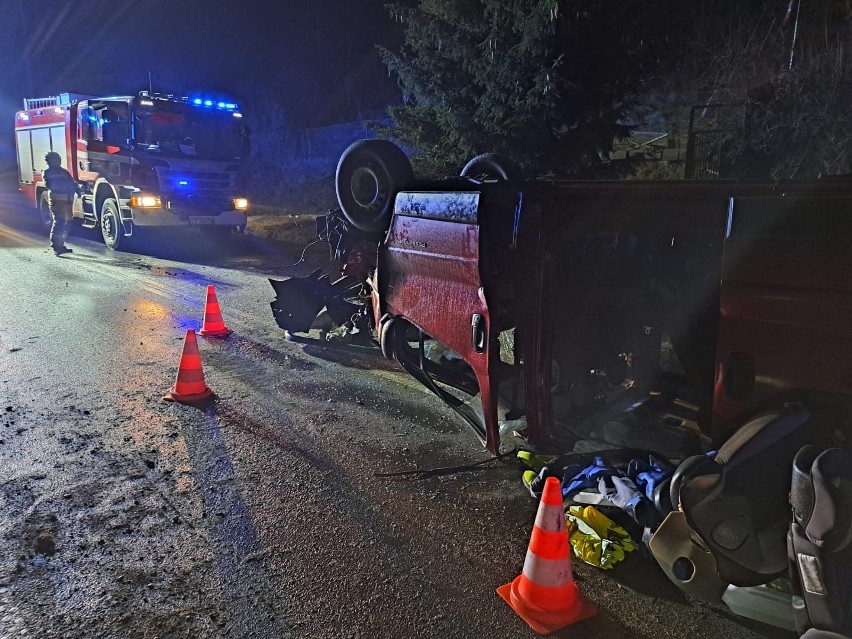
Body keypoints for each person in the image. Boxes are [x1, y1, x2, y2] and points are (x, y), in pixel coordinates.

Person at [43, 151, 82, 255]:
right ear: (50, 161)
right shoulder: (48, 173)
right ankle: (56, 245)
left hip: (67, 201)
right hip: (57, 202)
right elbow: (52, 185)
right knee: (59, 222)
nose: (58, 161)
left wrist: (77, 190)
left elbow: (71, 182)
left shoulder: (63, 171)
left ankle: (59, 244)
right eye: (56, 159)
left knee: (66, 222)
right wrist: (67, 187)